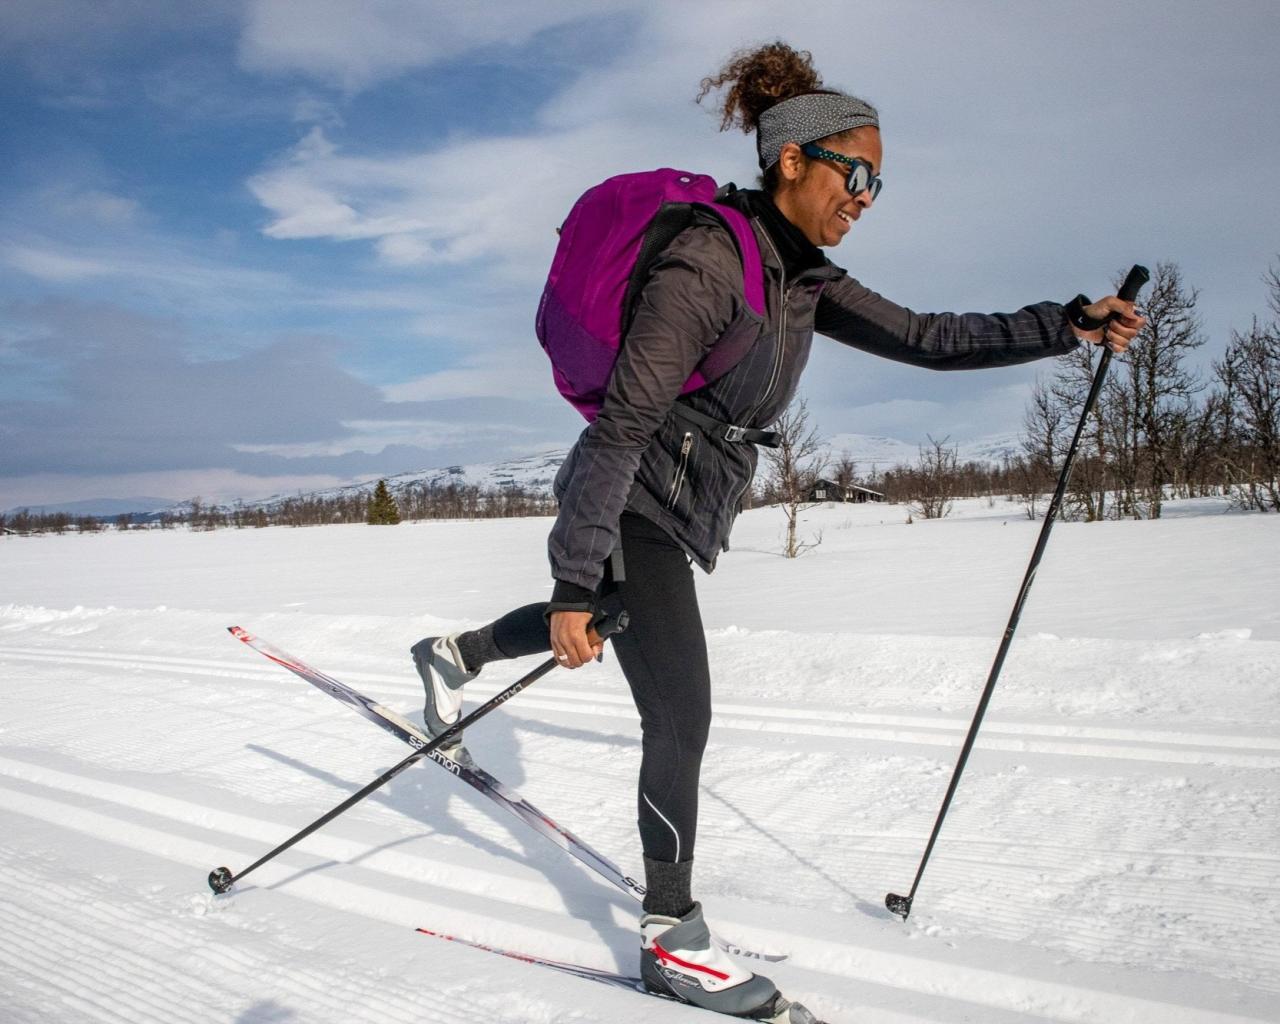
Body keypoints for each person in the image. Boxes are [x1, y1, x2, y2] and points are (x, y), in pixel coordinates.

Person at [410, 41, 1144, 1023]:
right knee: (681, 711)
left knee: (606, 622)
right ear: (792, 159)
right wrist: (577, 577)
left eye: (878, 179)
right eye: (857, 171)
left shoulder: (799, 277)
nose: (868, 194)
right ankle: (670, 939)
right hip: (631, 493)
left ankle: (452, 653)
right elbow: (622, 423)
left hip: (678, 497)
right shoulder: (707, 264)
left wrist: (1064, 322)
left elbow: (925, 336)